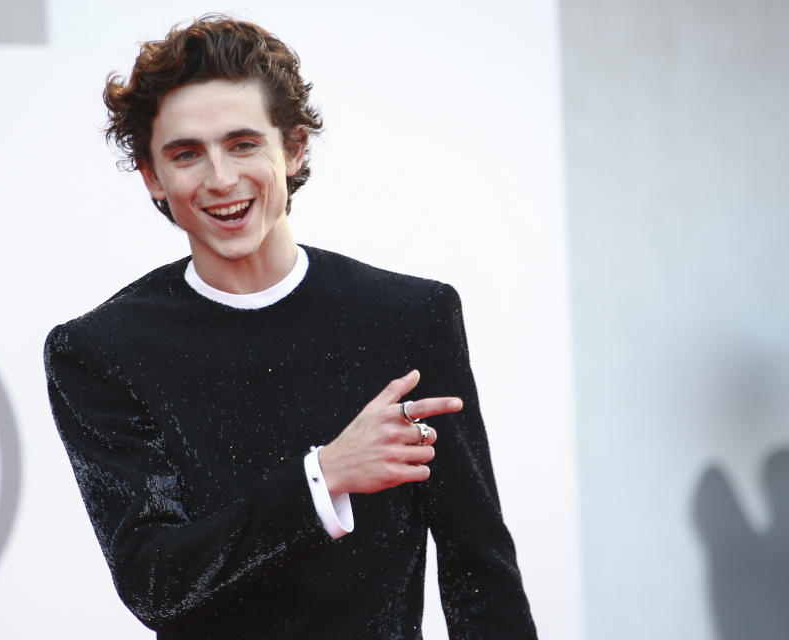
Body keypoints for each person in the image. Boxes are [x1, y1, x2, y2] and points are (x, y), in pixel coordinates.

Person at [44, 15, 537, 640]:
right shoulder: (100, 351)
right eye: (187, 153)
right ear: (152, 176)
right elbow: (154, 583)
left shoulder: (408, 319)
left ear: (294, 147)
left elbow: (479, 571)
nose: (221, 179)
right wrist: (323, 477)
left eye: (243, 143)